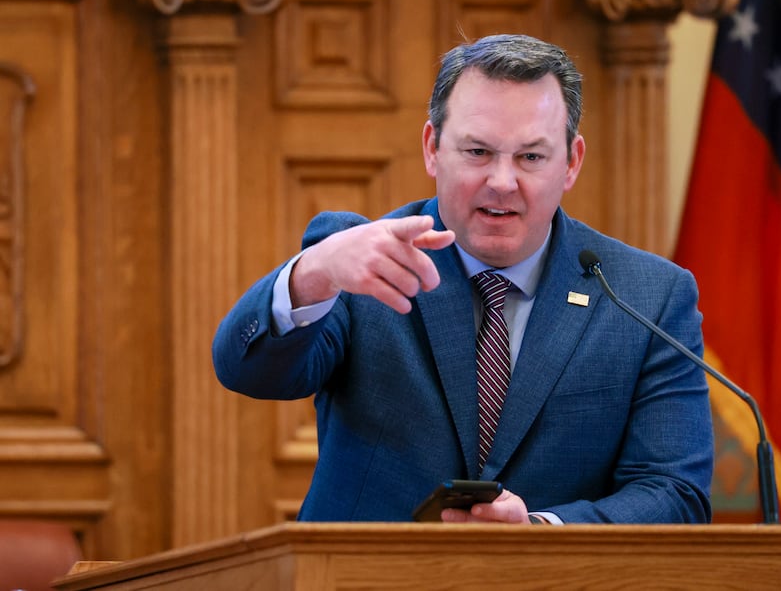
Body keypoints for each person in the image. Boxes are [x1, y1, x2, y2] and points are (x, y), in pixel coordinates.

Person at [213, 34, 714, 524]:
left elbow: (675, 493)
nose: (502, 181)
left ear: (571, 162)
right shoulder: (362, 261)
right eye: (477, 152)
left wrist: (543, 531)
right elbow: (246, 371)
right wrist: (315, 272)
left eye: (531, 157)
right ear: (433, 148)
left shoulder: (646, 297)